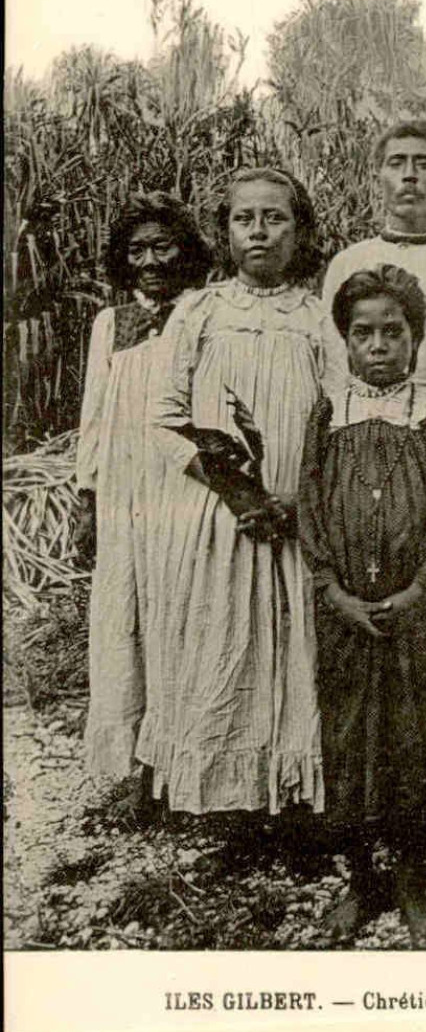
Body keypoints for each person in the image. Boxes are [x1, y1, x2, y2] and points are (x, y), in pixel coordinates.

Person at [137, 168, 329, 817]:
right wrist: (237, 494)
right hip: (223, 518)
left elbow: (337, 413)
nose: (260, 230)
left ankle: (296, 805)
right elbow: (163, 420)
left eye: (275, 217)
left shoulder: (316, 314)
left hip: (298, 519)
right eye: (245, 218)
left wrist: (302, 500)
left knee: (295, 650)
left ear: (298, 230)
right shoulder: (201, 311)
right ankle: (236, 813)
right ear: (224, 231)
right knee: (227, 649)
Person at [299, 264, 426, 944]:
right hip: (345, 610)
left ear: (416, 338)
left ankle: (414, 880)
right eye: (362, 332)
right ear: (343, 340)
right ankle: (363, 878)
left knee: (415, 734)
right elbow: (308, 504)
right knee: (348, 735)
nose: (377, 345)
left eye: (391, 331)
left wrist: (419, 587)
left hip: (415, 607)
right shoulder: (327, 412)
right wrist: (332, 590)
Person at [75, 192, 212, 814]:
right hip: (126, 494)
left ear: (185, 249)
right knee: (125, 620)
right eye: (137, 250)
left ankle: (188, 764)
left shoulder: (205, 312)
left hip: (184, 488)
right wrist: (87, 494)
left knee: (183, 616)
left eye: (163, 246)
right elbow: (95, 418)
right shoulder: (111, 323)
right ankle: (141, 773)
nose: (151, 261)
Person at [320, 120, 426, 393]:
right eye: (396, 163)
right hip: (363, 417)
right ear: (376, 177)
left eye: (424, 164)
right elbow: (335, 362)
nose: (409, 175)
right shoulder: (347, 263)